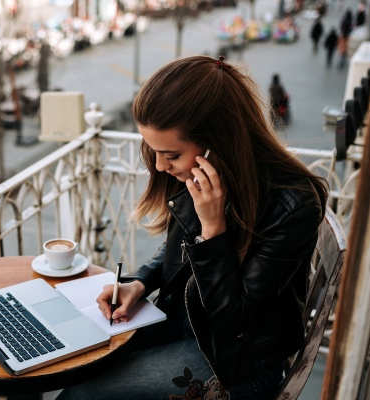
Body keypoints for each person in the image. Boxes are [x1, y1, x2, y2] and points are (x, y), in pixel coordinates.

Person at [58, 56, 328, 400]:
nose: (159, 165)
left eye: (170, 155)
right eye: (153, 151)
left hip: (235, 367)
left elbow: (234, 326)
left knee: (80, 395)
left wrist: (215, 230)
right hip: (182, 326)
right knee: (74, 362)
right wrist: (140, 283)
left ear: (220, 143)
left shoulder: (292, 205)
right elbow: (181, 248)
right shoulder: (201, 175)